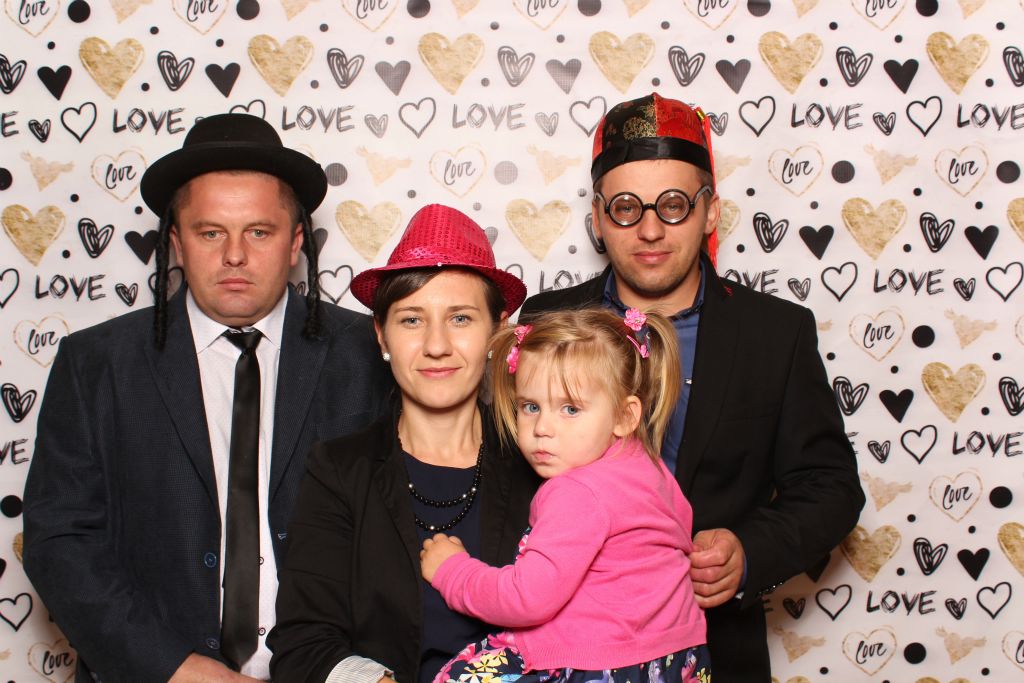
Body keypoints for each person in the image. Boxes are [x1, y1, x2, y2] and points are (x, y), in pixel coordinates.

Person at [22, 113, 392, 683]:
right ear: (176, 242)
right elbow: (60, 540)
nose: (234, 255)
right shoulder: (96, 363)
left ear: (296, 242)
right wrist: (173, 668)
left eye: (259, 232)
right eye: (210, 232)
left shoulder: (371, 354)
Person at [520, 93, 864, 682]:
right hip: (560, 652)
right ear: (597, 218)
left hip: (714, 651)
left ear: (710, 213)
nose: (650, 229)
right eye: (626, 208)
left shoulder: (774, 333)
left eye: (674, 205)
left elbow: (831, 487)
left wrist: (748, 551)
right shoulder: (546, 321)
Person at [268, 204, 540, 683]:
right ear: (381, 335)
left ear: (497, 331)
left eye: (461, 318)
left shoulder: (541, 460)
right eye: (412, 320)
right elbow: (303, 644)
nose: (436, 345)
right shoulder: (339, 470)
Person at [421, 307, 712, 683]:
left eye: (570, 409)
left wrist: (452, 570)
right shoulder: (653, 472)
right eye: (530, 407)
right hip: (678, 659)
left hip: (596, 664)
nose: (542, 427)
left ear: (625, 416)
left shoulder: (576, 490)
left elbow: (527, 598)